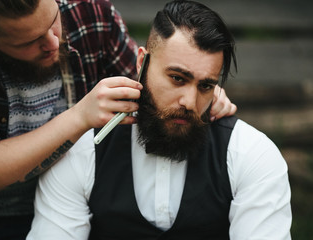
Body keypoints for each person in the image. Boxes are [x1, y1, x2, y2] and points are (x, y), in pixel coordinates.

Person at [27, 1, 292, 239]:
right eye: (178, 78)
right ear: (141, 62)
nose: (189, 102)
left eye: (205, 86)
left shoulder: (251, 154)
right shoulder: (82, 152)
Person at [0, 0, 236, 239]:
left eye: (53, 22)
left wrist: (198, 87)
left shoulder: (90, 12)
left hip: (86, 202)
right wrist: (79, 117)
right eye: (30, 42)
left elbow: (147, 75)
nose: (53, 42)